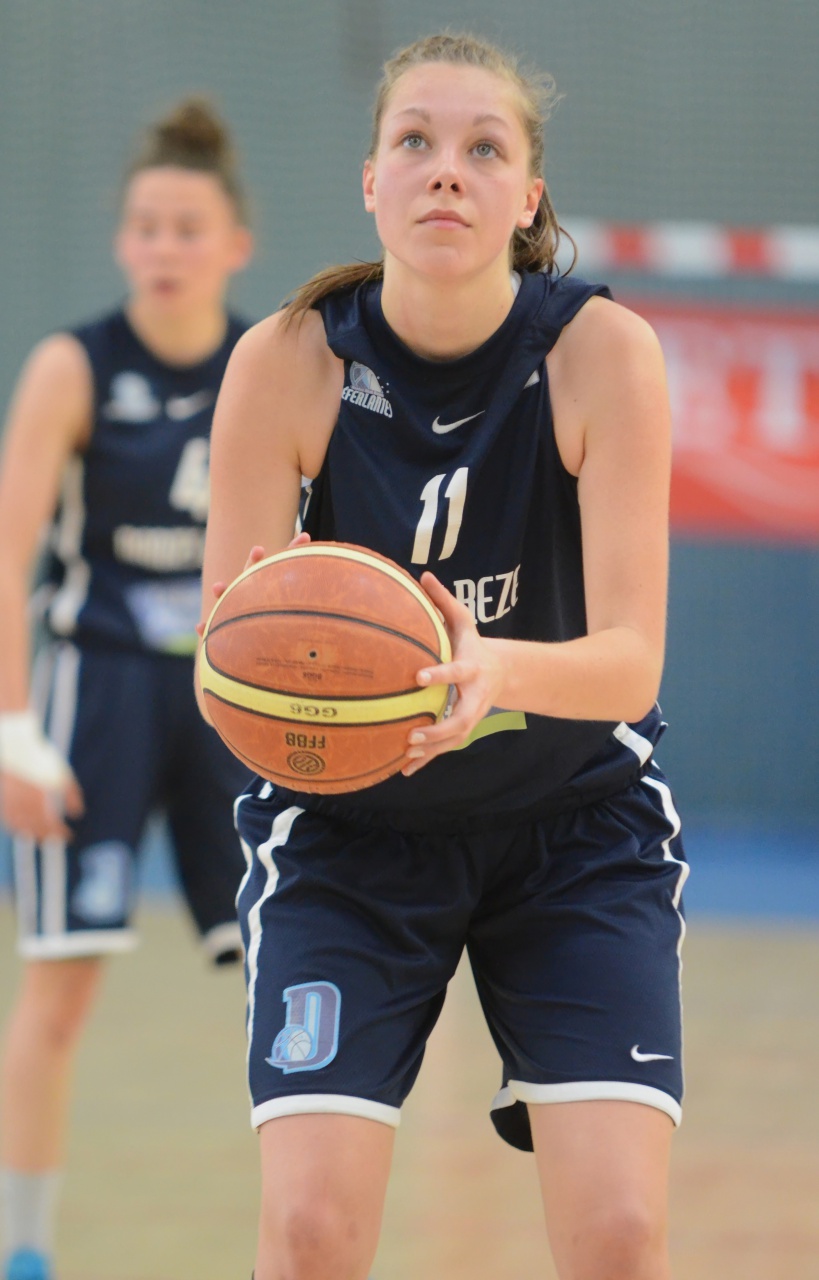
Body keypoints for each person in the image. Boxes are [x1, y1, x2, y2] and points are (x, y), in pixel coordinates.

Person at [199, 32, 687, 1280]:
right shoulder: (289, 360)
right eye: (415, 141)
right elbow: (224, 661)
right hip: (349, 834)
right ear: (372, 179)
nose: (446, 171)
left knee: (621, 1235)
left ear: (527, 198)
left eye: (484, 149)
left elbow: (632, 659)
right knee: (309, 1232)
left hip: (571, 825)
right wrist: (304, 672)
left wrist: (492, 673)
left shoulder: (601, 355)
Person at [0, 98, 255, 1280]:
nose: (164, 246)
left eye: (187, 228)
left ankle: (302, 1231)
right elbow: (9, 554)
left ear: (234, 244)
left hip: (227, 693)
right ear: (121, 241)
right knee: (56, 997)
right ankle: (24, 1250)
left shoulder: (266, 366)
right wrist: (11, 725)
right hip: (93, 687)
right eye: (146, 226)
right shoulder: (74, 365)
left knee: (289, 975)